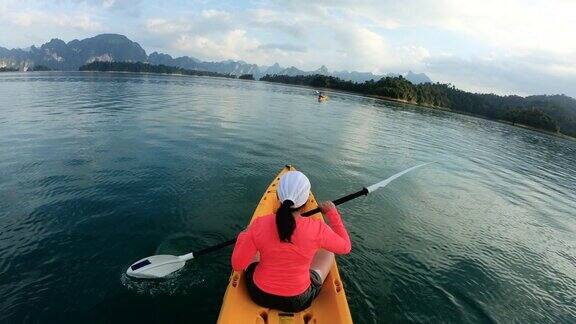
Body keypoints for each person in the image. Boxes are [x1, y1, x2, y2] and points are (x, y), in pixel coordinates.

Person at [231, 171, 351, 312]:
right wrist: (332, 213)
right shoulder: (318, 229)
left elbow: (237, 265)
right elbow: (346, 247)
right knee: (329, 251)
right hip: (298, 301)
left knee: (254, 249)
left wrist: (245, 234)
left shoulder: (259, 225)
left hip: (260, 295)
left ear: (277, 197)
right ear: (306, 202)